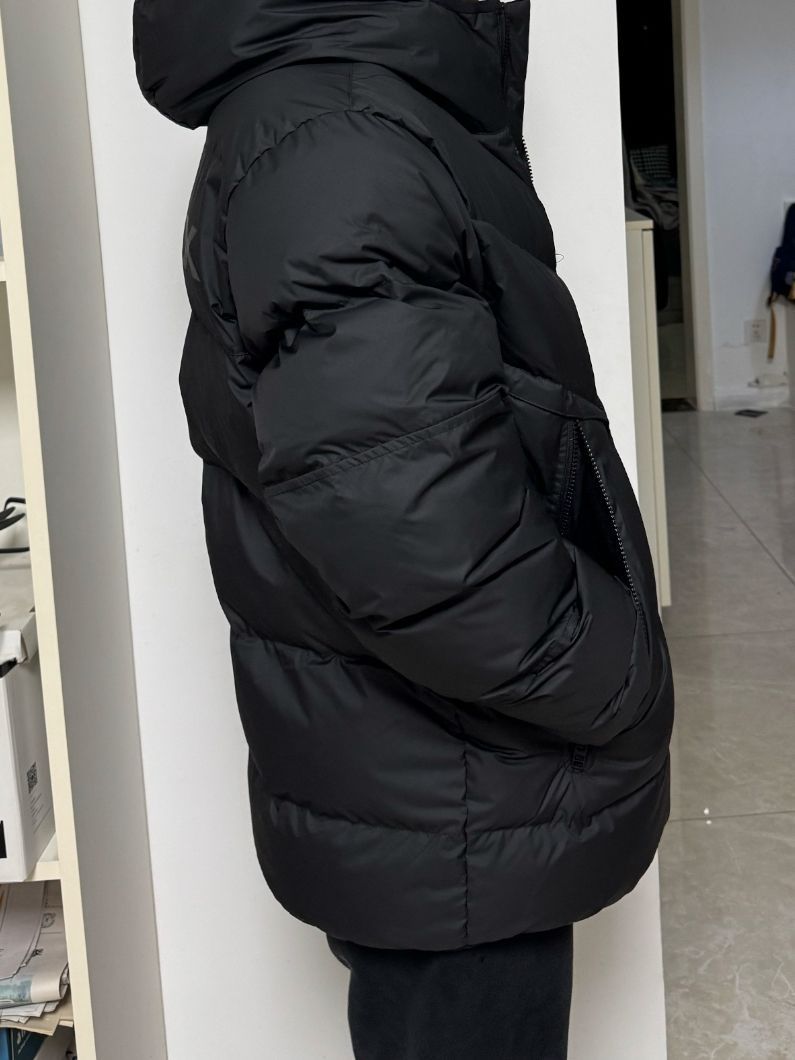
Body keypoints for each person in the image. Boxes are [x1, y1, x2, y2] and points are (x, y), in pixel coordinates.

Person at [133, 1, 674, 1056]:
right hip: (453, 781)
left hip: (437, 779)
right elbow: (413, 528)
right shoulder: (340, 138)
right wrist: (617, 675)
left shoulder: (341, 111)